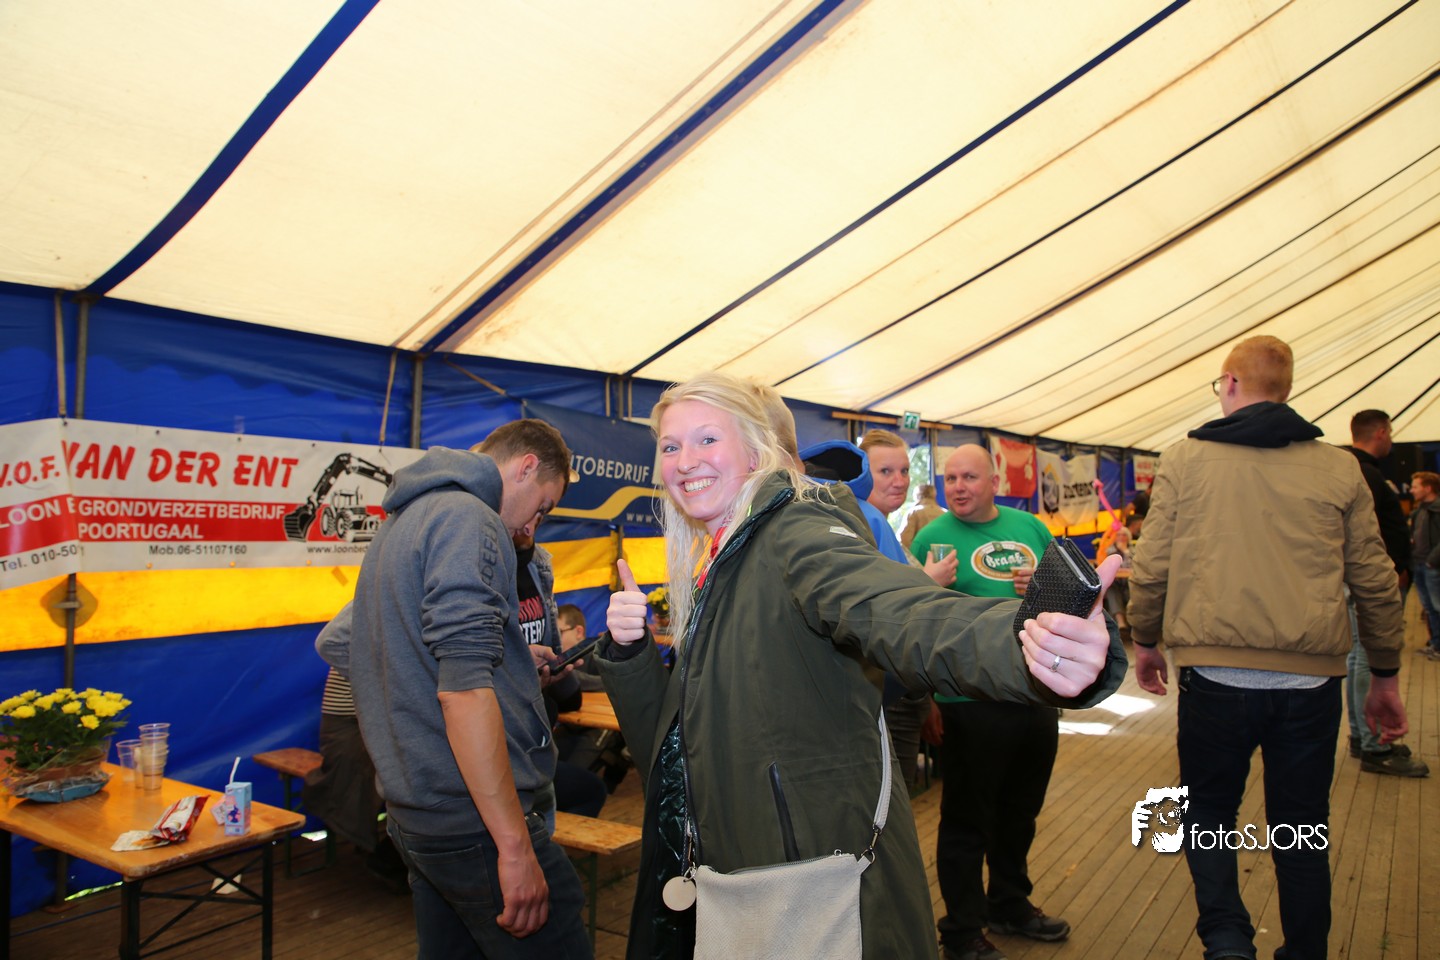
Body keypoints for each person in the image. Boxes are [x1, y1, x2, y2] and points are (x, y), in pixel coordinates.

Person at [599, 371, 1127, 960]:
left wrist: (1027, 643)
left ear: (755, 450)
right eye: (670, 446)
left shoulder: (793, 531)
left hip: (811, 883)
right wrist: (630, 654)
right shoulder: (717, 557)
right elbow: (675, 754)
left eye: (706, 439)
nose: (685, 460)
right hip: (742, 876)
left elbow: (899, 610)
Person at [1129, 336, 1411, 960]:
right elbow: (1374, 578)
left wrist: (1144, 641)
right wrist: (1386, 675)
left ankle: (1228, 940)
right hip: (1311, 686)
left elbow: (1151, 566)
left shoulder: (1185, 459)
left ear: (1230, 384)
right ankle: (1305, 950)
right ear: (1286, 390)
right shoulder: (1338, 468)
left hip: (1214, 680)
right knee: (1302, 830)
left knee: (1208, 815)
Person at [341, 420, 593, 959]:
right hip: (472, 819)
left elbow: (352, 643)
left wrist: (508, 667)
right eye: (543, 507)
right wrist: (513, 847)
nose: (532, 526)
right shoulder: (471, 519)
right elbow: (462, 693)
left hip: (417, 813)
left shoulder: (404, 520)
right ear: (526, 467)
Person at [909, 444, 1073, 960]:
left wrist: (1042, 588)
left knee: (1020, 812)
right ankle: (961, 930)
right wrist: (927, 699)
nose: (958, 487)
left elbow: (1072, 602)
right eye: (951, 478)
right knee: (966, 820)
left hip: (1034, 693)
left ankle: (1009, 903)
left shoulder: (1031, 529)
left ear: (994, 480)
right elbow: (911, 624)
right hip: (968, 698)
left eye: (969, 477)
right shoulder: (931, 539)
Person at [1340, 410, 1426, 776]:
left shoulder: (1350, 470)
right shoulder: (1365, 474)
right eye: (1389, 432)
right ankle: (1375, 744)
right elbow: (1366, 535)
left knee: (1357, 658)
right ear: (1380, 433)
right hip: (1374, 583)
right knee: (1367, 658)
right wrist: (1391, 570)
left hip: (1368, 579)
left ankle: (1363, 736)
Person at [302, 604, 408, 892]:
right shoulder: (381, 603)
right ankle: (392, 857)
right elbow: (328, 643)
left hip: (374, 722)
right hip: (351, 726)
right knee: (409, 774)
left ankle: (399, 855)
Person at [1411, 471, 1440, 658]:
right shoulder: (1420, 510)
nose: (1411, 490)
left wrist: (1432, 561)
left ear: (1428, 488)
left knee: (1437, 606)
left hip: (1432, 566)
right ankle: (1435, 643)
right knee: (1429, 607)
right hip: (1419, 564)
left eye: (1415, 486)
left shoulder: (1437, 510)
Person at [901, 482, 946, 551]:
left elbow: (904, 541)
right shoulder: (945, 513)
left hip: (918, 556)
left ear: (917, 495)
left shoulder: (913, 512)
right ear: (934, 495)